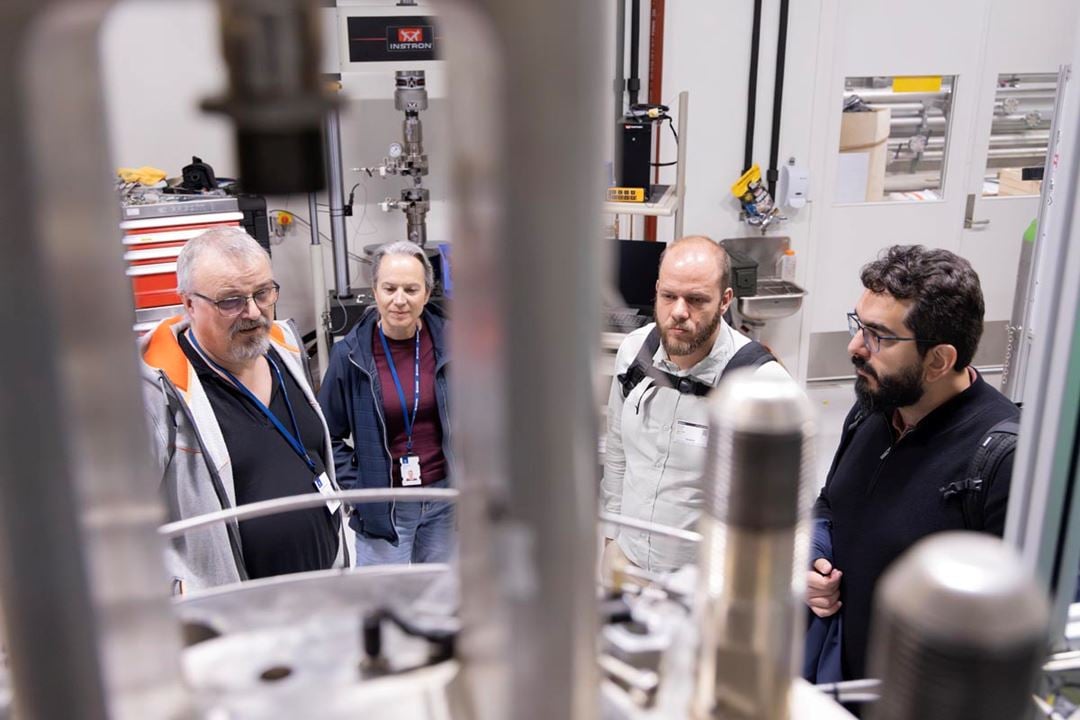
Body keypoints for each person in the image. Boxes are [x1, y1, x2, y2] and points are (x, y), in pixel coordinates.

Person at [806, 244, 1019, 682]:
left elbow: (1010, 631)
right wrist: (814, 555)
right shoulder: (875, 406)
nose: (855, 347)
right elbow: (832, 504)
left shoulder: (1003, 462)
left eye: (878, 336)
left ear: (939, 360)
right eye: (858, 325)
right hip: (842, 682)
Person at [140, 227, 351, 593]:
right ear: (189, 304)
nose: (253, 312)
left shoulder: (286, 349)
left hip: (322, 594)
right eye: (230, 301)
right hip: (233, 622)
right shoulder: (156, 391)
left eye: (262, 293)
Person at [601, 235, 790, 575]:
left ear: (724, 300)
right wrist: (612, 538)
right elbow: (617, 451)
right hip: (626, 564)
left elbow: (779, 510)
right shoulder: (634, 354)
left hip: (703, 585)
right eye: (668, 296)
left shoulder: (761, 385)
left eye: (697, 300)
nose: (679, 312)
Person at [318, 241, 454, 565]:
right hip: (385, 507)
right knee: (383, 606)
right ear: (375, 291)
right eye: (389, 288)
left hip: (446, 502)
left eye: (411, 289)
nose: (400, 300)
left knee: (440, 603)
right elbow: (324, 436)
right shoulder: (350, 356)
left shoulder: (454, 344)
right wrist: (362, 487)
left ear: (427, 292)